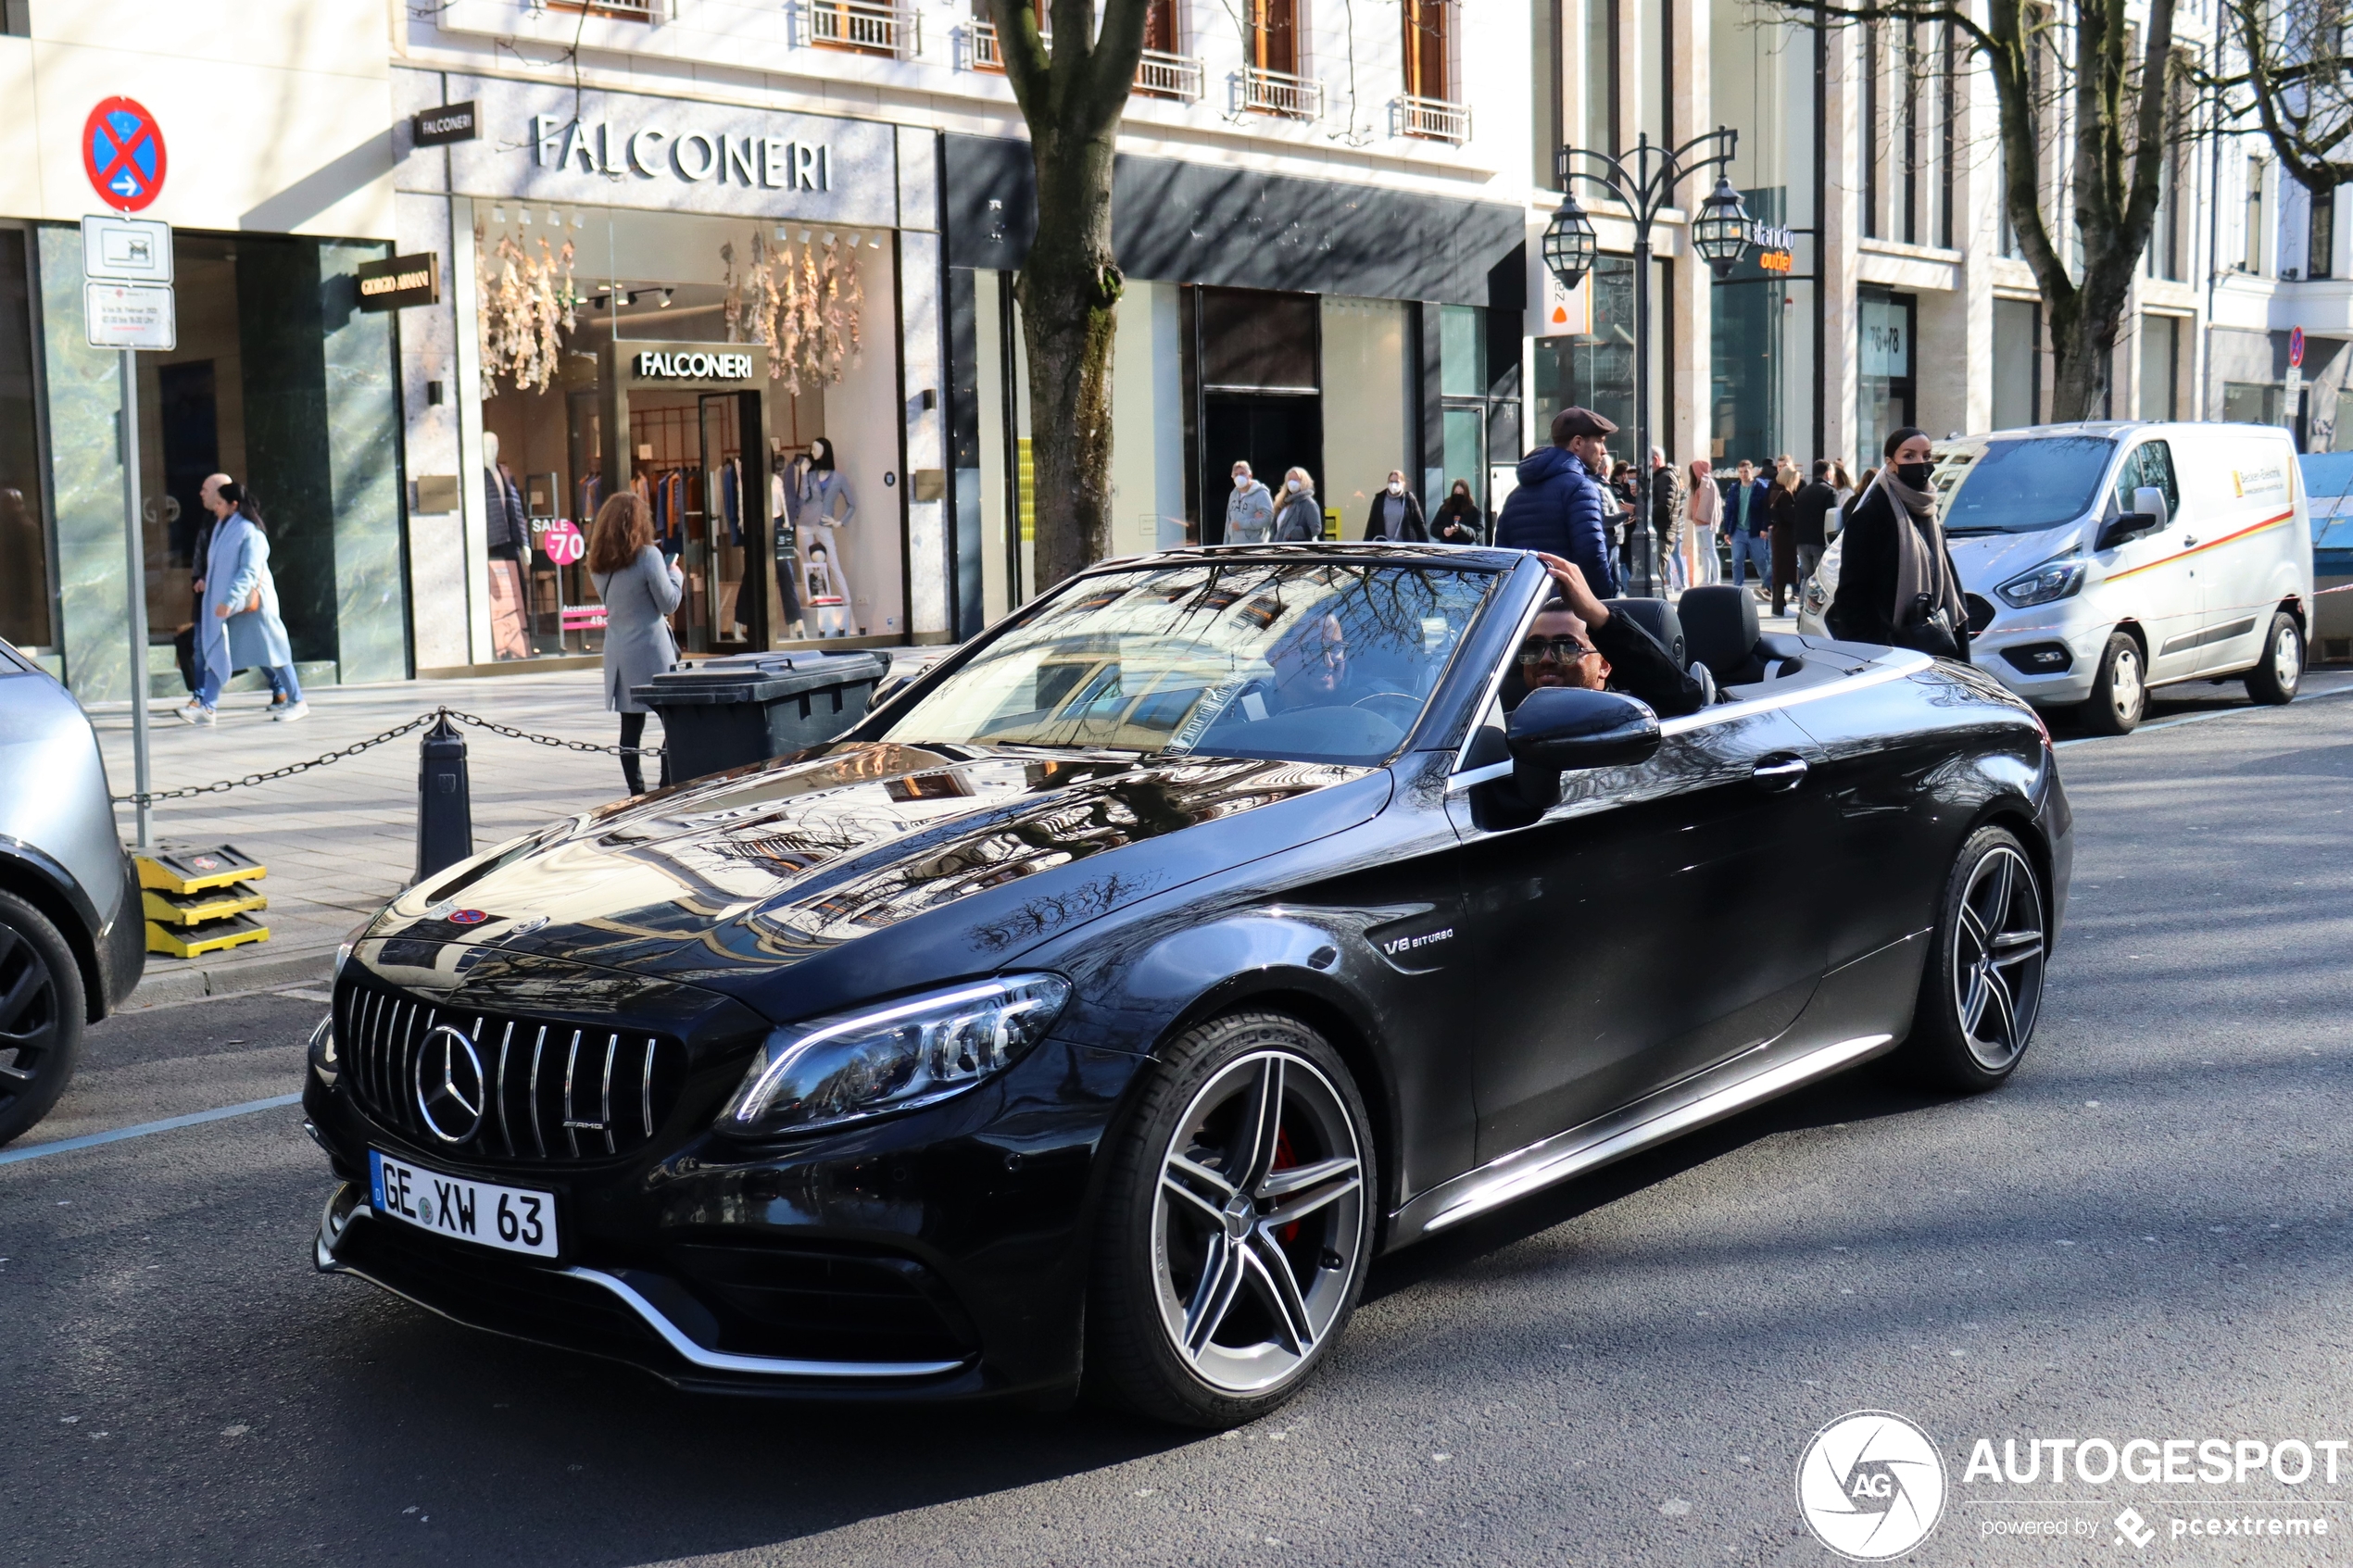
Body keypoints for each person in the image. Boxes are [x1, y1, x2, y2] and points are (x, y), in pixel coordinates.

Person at [1825, 428, 1970, 659]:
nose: (1920, 462)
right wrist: (1872, 650)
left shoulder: (1929, 513)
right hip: (1889, 650)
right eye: (1909, 456)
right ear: (1891, 463)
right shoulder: (1871, 516)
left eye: (1926, 456)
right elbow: (1852, 595)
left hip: (1933, 645)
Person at [176, 481, 306, 725]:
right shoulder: (222, 529)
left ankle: (297, 700)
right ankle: (208, 708)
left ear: (233, 505)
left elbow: (248, 571)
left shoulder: (251, 533)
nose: (215, 508)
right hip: (232, 607)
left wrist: (229, 599)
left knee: (275, 653)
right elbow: (220, 568)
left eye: (219, 503)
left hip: (254, 608)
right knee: (218, 650)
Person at [1520, 553, 1709, 718]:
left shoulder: (1632, 716)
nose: (1545, 659)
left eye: (1566, 647)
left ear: (1604, 664)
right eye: (1533, 647)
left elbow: (1683, 696)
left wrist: (1597, 614)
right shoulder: (1499, 719)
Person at [587, 490, 682, 795]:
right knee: (674, 722)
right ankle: (666, 784)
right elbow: (668, 604)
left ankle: (636, 791)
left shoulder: (598, 563)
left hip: (618, 649)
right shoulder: (649, 556)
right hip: (652, 649)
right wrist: (675, 576)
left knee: (630, 727)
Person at [1495, 406, 1618, 595]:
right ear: (1577, 443)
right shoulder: (1581, 488)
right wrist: (1605, 599)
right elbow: (1591, 554)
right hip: (1570, 608)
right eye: (1600, 442)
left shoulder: (1516, 495)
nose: (1604, 451)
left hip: (1526, 607)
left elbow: (1503, 556)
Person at [1724, 458, 1774, 597]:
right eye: (1740, 472)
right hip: (1738, 530)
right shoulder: (1734, 488)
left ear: (1751, 471)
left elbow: (1766, 510)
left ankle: (1767, 586)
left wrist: (1764, 527)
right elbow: (1729, 510)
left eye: (1746, 471)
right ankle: (1737, 589)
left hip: (1755, 530)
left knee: (1760, 560)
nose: (1743, 475)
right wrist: (1727, 531)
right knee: (1737, 560)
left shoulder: (1761, 488)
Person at [1793, 459, 1841, 595]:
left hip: (1802, 541)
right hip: (1819, 541)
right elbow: (1832, 519)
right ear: (1827, 473)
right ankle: (1814, 610)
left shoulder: (1803, 491)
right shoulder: (1830, 492)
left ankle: (1803, 608)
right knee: (1820, 581)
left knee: (1807, 578)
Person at [1767, 463, 1802, 615]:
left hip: (1777, 534)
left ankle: (1778, 605)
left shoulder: (1774, 491)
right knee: (1782, 573)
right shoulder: (1785, 494)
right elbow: (1789, 516)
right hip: (1785, 537)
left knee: (1778, 572)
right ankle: (1780, 607)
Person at [1648, 447, 1684, 592]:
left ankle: (1660, 612)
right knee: (1655, 579)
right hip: (1661, 532)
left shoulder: (1665, 477)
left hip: (1662, 533)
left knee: (1656, 579)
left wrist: (1640, 510)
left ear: (1655, 460)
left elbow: (1665, 506)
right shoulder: (1660, 477)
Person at [1684, 458, 1722, 587]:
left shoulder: (1706, 482)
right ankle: (1706, 578)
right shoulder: (1699, 483)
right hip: (1699, 523)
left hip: (1705, 522)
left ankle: (1716, 579)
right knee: (1704, 551)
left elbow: (1706, 503)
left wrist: (1700, 517)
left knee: (1710, 550)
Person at [1362, 470, 1428, 542]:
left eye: (1397, 482)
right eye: (1391, 481)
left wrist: (1425, 545)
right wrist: (1366, 544)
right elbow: (1371, 524)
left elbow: (1419, 525)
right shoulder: (1380, 499)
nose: (1393, 484)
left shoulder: (1409, 500)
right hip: (1383, 545)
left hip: (1404, 546)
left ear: (1403, 484)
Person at [1226, 460, 1276, 545]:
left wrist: (1242, 524)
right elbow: (1229, 521)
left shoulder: (1261, 494)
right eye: (1236, 474)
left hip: (1253, 547)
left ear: (1250, 475)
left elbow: (1268, 519)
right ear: (1232, 477)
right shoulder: (1233, 494)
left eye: (1242, 473)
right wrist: (1225, 546)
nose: (1239, 477)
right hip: (1233, 546)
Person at [1273, 467, 1323, 541]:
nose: (1292, 482)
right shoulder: (1283, 503)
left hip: (1298, 550)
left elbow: (1316, 528)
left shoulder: (1308, 503)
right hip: (1281, 549)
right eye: (1290, 480)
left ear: (1303, 481)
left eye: (1295, 480)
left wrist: (1292, 533)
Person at [1432, 478, 1483, 545]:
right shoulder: (1444, 508)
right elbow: (1433, 528)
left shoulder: (1474, 511)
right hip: (1446, 546)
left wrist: (1461, 529)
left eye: (1461, 493)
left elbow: (1477, 532)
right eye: (1456, 492)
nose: (1458, 495)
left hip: (1467, 547)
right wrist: (1443, 531)